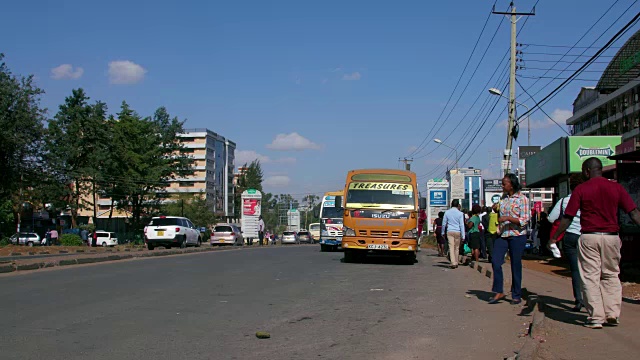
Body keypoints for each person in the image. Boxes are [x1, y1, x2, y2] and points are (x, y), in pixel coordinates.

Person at [550, 157, 640, 329]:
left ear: (586, 171)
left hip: (589, 237)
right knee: (611, 274)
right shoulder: (616, 187)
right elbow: (634, 213)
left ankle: (596, 317)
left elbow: (568, 217)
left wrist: (554, 237)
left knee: (590, 277)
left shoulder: (581, 189)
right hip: (612, 237)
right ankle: (612, 313)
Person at [489, 173, 530, 305]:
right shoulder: (504, 198)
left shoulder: (522, 199)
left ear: (511, 185)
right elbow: (500, 213)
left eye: (504, 184)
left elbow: (524, 220)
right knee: (495, 260)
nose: (502, 186)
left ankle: (516, 294)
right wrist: (496, 209)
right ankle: (498, 290)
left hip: (517, 235)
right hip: (503, 234)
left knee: (515, 264)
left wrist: (507, 219)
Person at [547, 179, 584, 312]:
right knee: (590, 268)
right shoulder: (588, 199)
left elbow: (551, 218)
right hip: (587, 235)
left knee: (575, 269)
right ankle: (592, 299)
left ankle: (579, 300)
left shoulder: (564, 201)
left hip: (571, 236)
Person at [441, 199, 466, 269]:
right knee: (457, 247)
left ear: (451, 204)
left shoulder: (447, 212)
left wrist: (442, 232)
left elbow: (443, 224)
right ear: (458, 205)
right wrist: (463, 235)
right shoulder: (460, 214)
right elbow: (462, 225)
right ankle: (456, 261)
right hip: (458, 231)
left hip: (450, 231)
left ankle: (453, 262)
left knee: (451, 247)